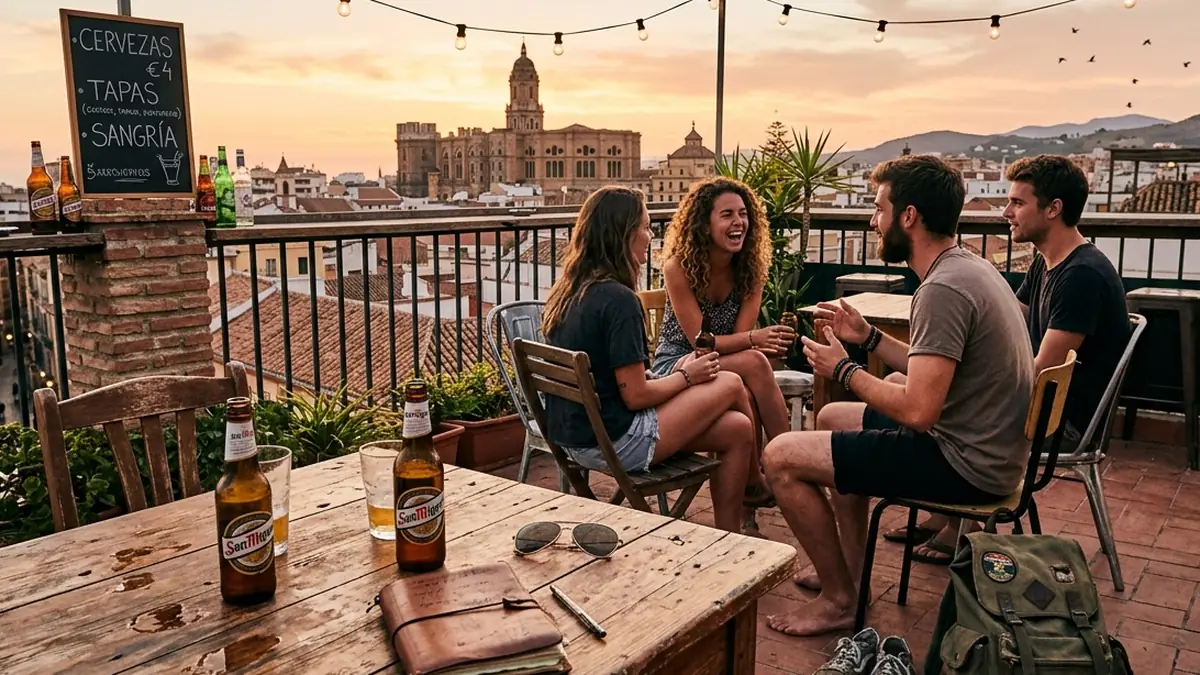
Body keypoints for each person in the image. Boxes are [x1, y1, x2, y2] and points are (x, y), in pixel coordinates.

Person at [760, 154, 1035, 637]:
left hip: (964, 464)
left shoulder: (944, 288)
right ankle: (848, 575)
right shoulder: (968, 266)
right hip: (988, 449)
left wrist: (842, 367)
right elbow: (936, 368)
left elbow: (919, 410)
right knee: (832, 417)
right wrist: (867, 339)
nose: (873, 220)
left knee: (780, 455)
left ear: (908, 216)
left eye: (880, 208)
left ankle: (841, 600)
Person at [880, 154, 1133, 565]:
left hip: (1061, 422)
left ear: (1053, 210)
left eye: (1018, 203)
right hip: (1040, 406)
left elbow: (1038, 374)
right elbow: (1009, 329)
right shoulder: (1047, 262)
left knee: (925, 398)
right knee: (905, 385)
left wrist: (966, 383)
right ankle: (944, 510)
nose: (1006, 212)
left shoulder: (1082, 276)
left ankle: (963, 518)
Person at [540, 186, 755, 534]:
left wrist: (673, 374)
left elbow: (617, 379)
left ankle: (729, 537)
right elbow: (636, 396)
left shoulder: (570, 291)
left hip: (574, 438)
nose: (650, 235)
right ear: (622, 235)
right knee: (730, 382)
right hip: (618, 440)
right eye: (644, 226)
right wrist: (688, 377)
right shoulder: (620, 300)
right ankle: (757, 483)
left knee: (739, 429)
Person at [652, 176, 796, 512]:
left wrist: (752, 341)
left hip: (728, 363)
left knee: (745, 387)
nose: (739, 223)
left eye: (743, 214)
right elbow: (699, 342)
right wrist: (755, 339)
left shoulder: (751, 269)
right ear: (704, 224)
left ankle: (760, 479)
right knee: (756, 364)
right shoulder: (679, 268)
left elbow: (740, 344)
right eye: (727, 214)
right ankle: (783, 466)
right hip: (678, 365)